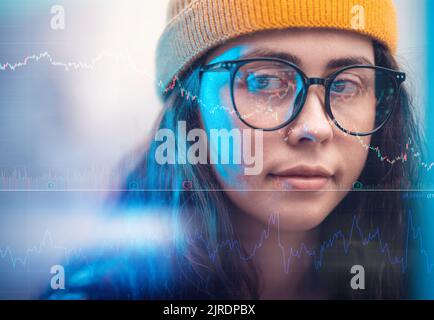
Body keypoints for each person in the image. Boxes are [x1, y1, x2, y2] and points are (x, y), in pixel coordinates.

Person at [47, 0, 421, 300]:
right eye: (265, 80)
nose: (315, 127)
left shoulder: (412, 276)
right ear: (190, 104)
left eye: (346, 86)